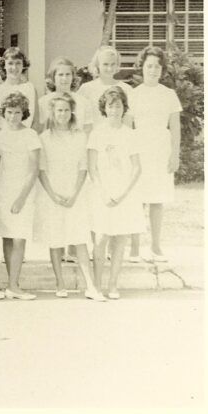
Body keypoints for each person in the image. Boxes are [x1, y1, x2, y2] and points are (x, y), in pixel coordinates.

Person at [34, 93, 103, 300]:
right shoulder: (44, 138)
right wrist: (53, 194)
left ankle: (91, 286)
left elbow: (83, 167)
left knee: (79, 239)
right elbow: (41, 170)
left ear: (71, 112)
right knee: (55, 240)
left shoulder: (80, 136)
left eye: (65, 110)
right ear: (52, 113)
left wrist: (74, 193)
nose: (62, 114)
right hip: (51, 194)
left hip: (75, 194)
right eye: (58, 110)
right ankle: (60, 282)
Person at [87, 86, 144, 300]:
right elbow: (93, 168)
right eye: (110, 105)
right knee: (101, 238)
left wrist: (122, 194)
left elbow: (137, 168)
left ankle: (113, 285)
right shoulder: (97, 133)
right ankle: (97, 286)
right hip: (102, 191)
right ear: (104, 107)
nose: (114, 110)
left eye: (118, 105)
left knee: (120, 238)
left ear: (124, 108)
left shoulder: (130, 134)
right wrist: (103, 193)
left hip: (124, 193)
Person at [128, 46, 182, 263]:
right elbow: (127, 126)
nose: (152, 70)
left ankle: (156, 247)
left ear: (162, 70)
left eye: (157, 67)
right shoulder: (133, 94)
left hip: (160, 151)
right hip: (139, 150)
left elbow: (175, 129)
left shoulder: (169, 94)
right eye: (149, 66)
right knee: (136, 199)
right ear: (142, 67)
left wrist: (175, 155)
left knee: (157, 200)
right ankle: (133, 248)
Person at [0, 91, 42, 300]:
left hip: (24, 191)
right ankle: (12, 284)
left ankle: (14, 285)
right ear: (3, 113)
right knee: (7, 236)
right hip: (3, 190)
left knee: (20, 238)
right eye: (9, 112)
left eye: (18, 112)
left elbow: (34, 170)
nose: (13, 116)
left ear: (24, 113)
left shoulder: (30, 135)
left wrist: (22, 197)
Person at [36, 57, 94, 134]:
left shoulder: (83, 102)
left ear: (73, 77)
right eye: (60, 75)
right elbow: (40, 130)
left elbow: (87, 129)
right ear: (53, 77)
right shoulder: (43, 102)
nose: (64, 78)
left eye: (68, 74)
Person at [0, 47, 37, 132]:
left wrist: (27, 137)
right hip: (4, 139)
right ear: (4, 66)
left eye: (18, 63)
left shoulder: (30, 88)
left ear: (24, 65)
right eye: (10, 63)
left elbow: (36, 121)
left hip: (26, 139)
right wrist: (7, 138)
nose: (14, 67)